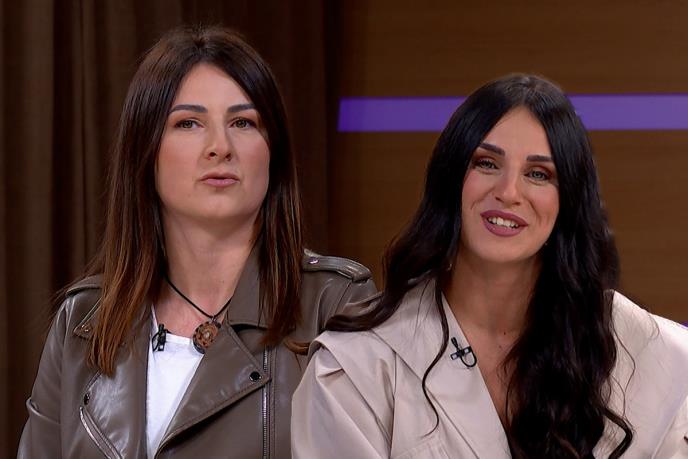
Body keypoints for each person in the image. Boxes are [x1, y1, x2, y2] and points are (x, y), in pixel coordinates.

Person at [18, 25, 375, 459]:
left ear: (273, 153)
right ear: (146, 150)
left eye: (243, 122)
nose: (220, 147)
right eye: (188, 123)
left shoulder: (335, 305)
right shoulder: (82, 323)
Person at [292, 74, 688, 458]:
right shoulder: (357, 365)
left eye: (538, 174)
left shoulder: (649, 352)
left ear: (567, 201)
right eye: (486, 163)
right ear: (452, 179)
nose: (508, 192)